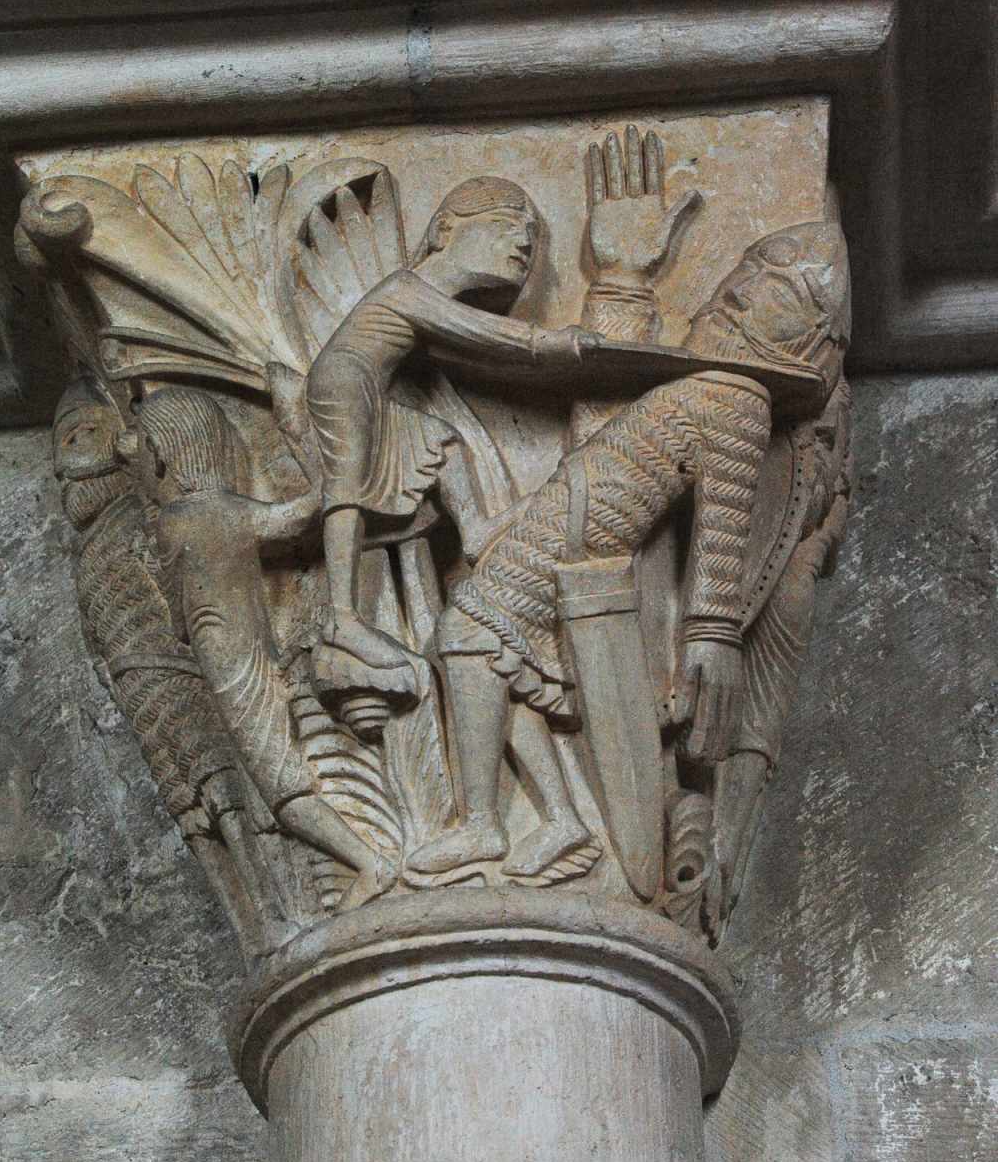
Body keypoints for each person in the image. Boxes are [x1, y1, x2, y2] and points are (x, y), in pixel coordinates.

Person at [409, 216, 849, 881]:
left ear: (808, 338)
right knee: (484, 647)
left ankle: (487, 824)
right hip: (562, 510)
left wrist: (711, 633)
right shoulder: (713, 385)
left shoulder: (741, 404)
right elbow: (605, 405)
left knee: (466, 636)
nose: (740, 288)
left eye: (778, 289)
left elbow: (724, 524)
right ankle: (551, 820)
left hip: (587, 529)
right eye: (749, 269)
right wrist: (623, 276)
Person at [305, 176, 592, 678]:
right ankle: (342, 619)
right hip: (344, 379)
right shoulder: (406, 289)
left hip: (370, 383)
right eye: (505, 225)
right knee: (347, 483)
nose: (524, 241)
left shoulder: (425, 298)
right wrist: (549, 342)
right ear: (442, 231)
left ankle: (475, 530)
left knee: (440, 440)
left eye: (530, 231)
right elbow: (475, 331)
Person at [132, 386, 397, 910]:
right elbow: (297, 515)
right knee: (280, 777)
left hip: (228, 666)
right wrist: (331, 464)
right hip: (256, 655)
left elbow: (179, 619)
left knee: (281, 789)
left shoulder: (177, 520)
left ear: (161, 456)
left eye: (141, 447)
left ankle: (371, 862)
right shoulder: (230, 511)